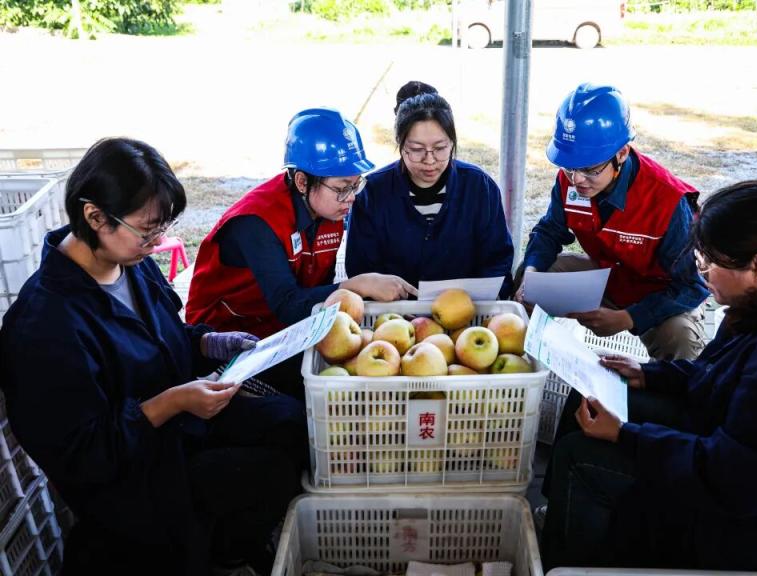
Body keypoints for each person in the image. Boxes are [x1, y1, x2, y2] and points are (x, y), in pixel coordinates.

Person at [0, 138, 308, 575]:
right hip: (132, 475)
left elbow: (164, 337)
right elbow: (85, 454)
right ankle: (209, 551)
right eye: (148, 230)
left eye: (162, 226)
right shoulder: (44, 326)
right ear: (95, 216)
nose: (159, 241)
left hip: (178, 425)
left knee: (291, 422)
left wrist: (207, 342)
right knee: (267, 472)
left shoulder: (129, 259)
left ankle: (226, 541)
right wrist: (171, 403)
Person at [540, 181, 757, 572]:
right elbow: (716, 374)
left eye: (711, 260)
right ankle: (561, 514)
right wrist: (649, 375)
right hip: (730, 443)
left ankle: (572, 559)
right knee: (587, 396)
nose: (703, 271)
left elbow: (735, 477)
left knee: (582, 458)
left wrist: (625, 436)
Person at [185, 108, 415, 391]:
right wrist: (358, 285)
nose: (351, 198)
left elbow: (315, 290)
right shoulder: (257, 223)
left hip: (283, 332)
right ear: (302, 182)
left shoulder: (329, 211)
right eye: (342, 188)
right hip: (227, 340)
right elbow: (287, 305)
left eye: (357, 185)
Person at [515, 83, 708, 360]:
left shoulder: (668, 201)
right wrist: (531, 272)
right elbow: (549, 231)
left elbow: (691, 286)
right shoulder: (569, 181)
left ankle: (664, 398)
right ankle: (526, 369)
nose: (577, 180)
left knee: (680, 339)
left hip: (660, 292)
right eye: (569, 167)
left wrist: (628, 318)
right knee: (530, 285)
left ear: (622, 154)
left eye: (590, 169)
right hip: (607, 276)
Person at [346, 84, 514, 298]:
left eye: (440, 148)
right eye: (416, 150)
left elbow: (497, 262)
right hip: (393, 320)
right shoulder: (372, 194)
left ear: (452, 142)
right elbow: (361, 272)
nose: (430, 160)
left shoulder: (480, 188)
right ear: (400, 143)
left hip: (466, 316)